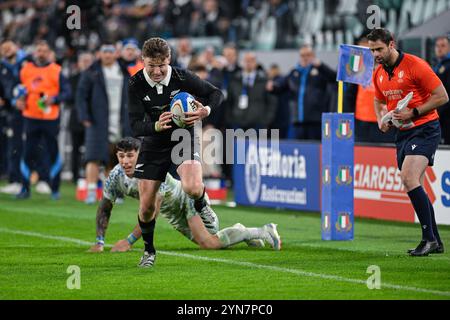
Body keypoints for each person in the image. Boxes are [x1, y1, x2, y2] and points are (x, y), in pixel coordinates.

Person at [89, 137, 281, 260]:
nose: (125, 161)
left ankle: (263, 230)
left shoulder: (152, 170)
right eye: (121, 156)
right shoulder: (115, 176)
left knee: (209, 243)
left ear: (140, 155)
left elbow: (151, 212)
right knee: (213, 240)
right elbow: (105, 207)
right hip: (172, 213)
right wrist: (99, 242)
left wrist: (128, 241)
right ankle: (242, 232)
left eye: (130, 155)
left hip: (185, 198)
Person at [128, 37, 223, 267]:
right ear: (143, 61)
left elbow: (216, 94)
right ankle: (149, 251)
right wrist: (155, 126)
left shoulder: (182, 77)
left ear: (169, 60)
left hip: (182, 137)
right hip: (153, 142)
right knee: (147, 205)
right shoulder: (135, 83)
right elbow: (134, 125)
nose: (157, 70)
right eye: (151, 65)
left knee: (192, 186)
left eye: (161, 65)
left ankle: (202, 205)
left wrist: (205, 111)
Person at [368, 28, 449, 256]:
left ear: (391, 44)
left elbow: (442, 96)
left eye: (379, 49)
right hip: (402, 133)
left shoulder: (416, 65)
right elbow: (378, 99)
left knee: (408, 177)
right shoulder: (379, 73)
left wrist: (414, 113)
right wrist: (380, 120)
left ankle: (428, 239)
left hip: (425, 129)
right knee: (415, 184)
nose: (375, 54)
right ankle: (436, 241)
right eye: (372, 50)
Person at [15, 40, 72, 200]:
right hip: (30, 116)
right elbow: (17, 90)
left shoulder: (56, 70)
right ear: (34, 52)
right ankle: (24, 188)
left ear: (49, 53)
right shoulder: (25, 69)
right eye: (38, 50)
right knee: (27, 152)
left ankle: (55, 189)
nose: (41, 53)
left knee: (53, 152)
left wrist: (53, 99)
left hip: (50, 117)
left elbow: (67, 93)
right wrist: (17, 101)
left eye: (44, 51)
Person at [76, 43, 131, 204]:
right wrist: (84, 116)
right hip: (97, 120)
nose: (108, 55)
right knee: (93, 156)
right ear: (99, 53)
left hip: (119, 119)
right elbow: (81, 96)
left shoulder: (123, 71)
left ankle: (112, 192)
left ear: (116, 53)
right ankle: (91, 191)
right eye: (105, 51)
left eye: (110, 51)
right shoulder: (91, 72)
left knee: (115, 157)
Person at [267, 45, 336, 140]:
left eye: (308, 55)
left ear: (313, 56)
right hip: (297, 121)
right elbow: (281, 86)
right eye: (302, 55)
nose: (305, 58)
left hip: (315, 121)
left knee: (314, 151)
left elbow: (334, 78)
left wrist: (321, 66)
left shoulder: (320, 72)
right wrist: (273, 87)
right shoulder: (294, 72)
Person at [344, 36, 395, 143]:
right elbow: (349, 96)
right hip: (361, 123)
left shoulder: (391, 68)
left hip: (385, 122)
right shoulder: (358, 71)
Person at [227, 52, 277, 131]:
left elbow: (271, 103)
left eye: (251, 60)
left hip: (258, 124)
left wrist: (266, 121)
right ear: (242, 62)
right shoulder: (235, 80)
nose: (248, 63)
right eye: (246, 60)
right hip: (237, 123)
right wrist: (230, 120)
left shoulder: (264, 80)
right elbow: (229, 101)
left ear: (256, 63)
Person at [433, 36, 450, 145]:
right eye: (437, 46)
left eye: (443, 46)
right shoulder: (438, 65)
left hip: (446, 114)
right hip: (440, 112)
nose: (439, 49)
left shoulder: (448, 66)